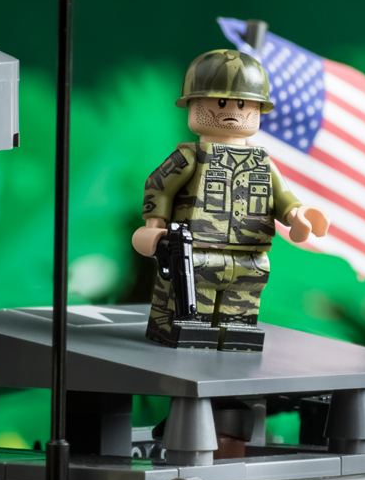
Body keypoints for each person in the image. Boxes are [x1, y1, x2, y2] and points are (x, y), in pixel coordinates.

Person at [132, 48, 329, 351]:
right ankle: (184, 331)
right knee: (189, 305)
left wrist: (297, 215)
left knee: (241, 307)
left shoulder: (262, 162)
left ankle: (236, 334)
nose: (233, 111)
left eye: (243, 104)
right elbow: (159, 185)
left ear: (258, 109)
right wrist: (154, 225)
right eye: (221, 102)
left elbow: (282, 197)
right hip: (196, 250)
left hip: (249, 253)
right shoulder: (190, 156)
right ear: (194, 104)